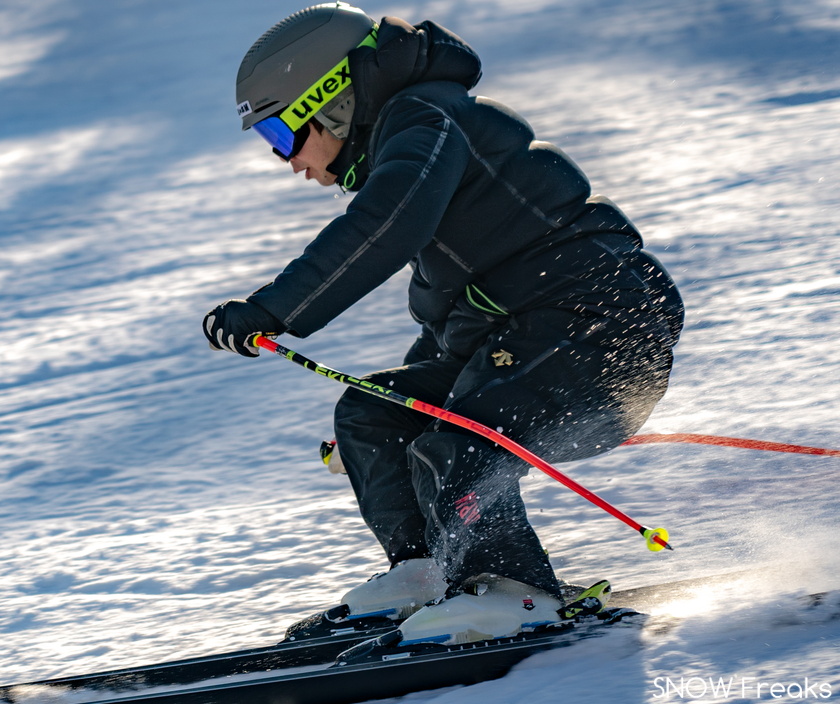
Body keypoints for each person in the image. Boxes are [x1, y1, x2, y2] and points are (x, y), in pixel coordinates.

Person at [202, 3, 684, 646]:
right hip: (535, 333)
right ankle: (426, 572)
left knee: (462, 441)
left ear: (333, 100)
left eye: (282, 136)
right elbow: (449, 319)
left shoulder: (427, 120)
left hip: (601, 328)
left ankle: (512, 591)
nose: (287, 161)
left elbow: (383, 227)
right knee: (375, 417)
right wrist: (408, 396)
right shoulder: (417, 143)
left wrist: (273, 309)